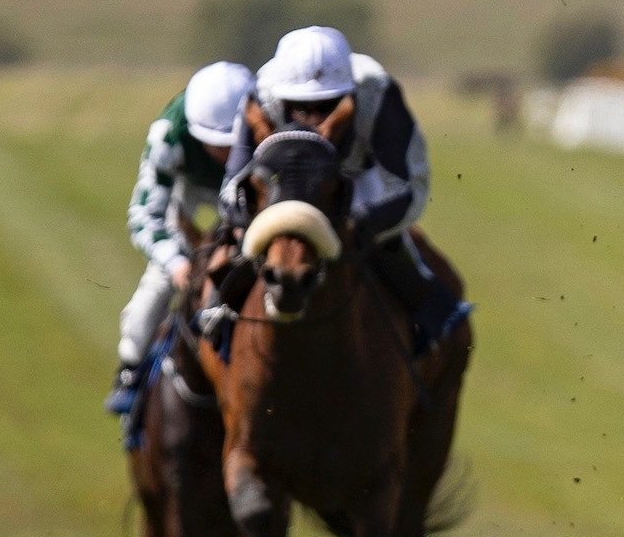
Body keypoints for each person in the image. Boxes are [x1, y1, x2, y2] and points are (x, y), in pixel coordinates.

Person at [215, 26, 469, 353]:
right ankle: (212, 315)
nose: (312, 119)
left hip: (360, 178)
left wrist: (358, 225)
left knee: (386, 241)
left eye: (326, 105)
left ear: (349, 95)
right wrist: (258, 224)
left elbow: (410, 189)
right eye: (298, 106)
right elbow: (230, 189)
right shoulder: (261, 97)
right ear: (280, 98)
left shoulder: (378, 97)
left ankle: (434, 322)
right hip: (285, 186)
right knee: (227, 251)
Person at [105, 61, 254, 414]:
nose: (226, 154)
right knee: (159, 281)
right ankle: (130, 365)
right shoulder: (168, 135)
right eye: (216, 144)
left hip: (247, 189)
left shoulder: (264, 124)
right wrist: (177, 264)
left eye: (234, 142)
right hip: (187, 192)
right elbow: (144, 215)